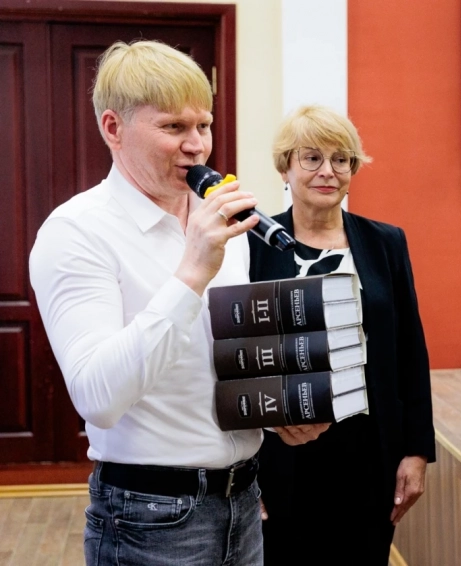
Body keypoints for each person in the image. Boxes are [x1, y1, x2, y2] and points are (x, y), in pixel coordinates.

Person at [29, 40, 326, 566]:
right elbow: (98, 397)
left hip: (242, 499)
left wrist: (277, 411)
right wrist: (191, 272)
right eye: (173, 127)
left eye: (204, 125)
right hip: (149, 516)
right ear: (113, 128)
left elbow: (220, 361)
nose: (197, 147)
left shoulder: (217, 219)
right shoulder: (76, 231)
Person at [249, 105, 435, 564]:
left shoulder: (385, 242)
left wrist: (417, 452)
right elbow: (236, 358)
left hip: (370, 453)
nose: (328, 171)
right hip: (280, 455)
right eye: (312, 158)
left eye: (341, 159)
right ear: (285, 168)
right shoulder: (250, 244)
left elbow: (410, 351)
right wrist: (243, 471)